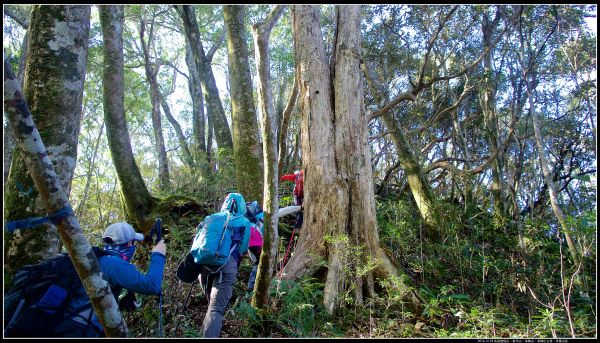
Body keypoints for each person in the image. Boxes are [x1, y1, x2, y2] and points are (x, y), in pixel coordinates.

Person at [177, 192, 252, 338]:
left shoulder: (211, 218)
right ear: (242, 205)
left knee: (211, 306)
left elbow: (197, 242)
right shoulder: (244, 221)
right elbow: (243, 247)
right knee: (215, 310)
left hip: (204, 265)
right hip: (226, 266)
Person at [84, 222, 167, 333]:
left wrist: (118, 304)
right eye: (133, 243)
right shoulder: (113, 264)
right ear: (129, 245)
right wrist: (158, 254)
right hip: (83, 328)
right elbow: (152, 285)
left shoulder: (99, 259)